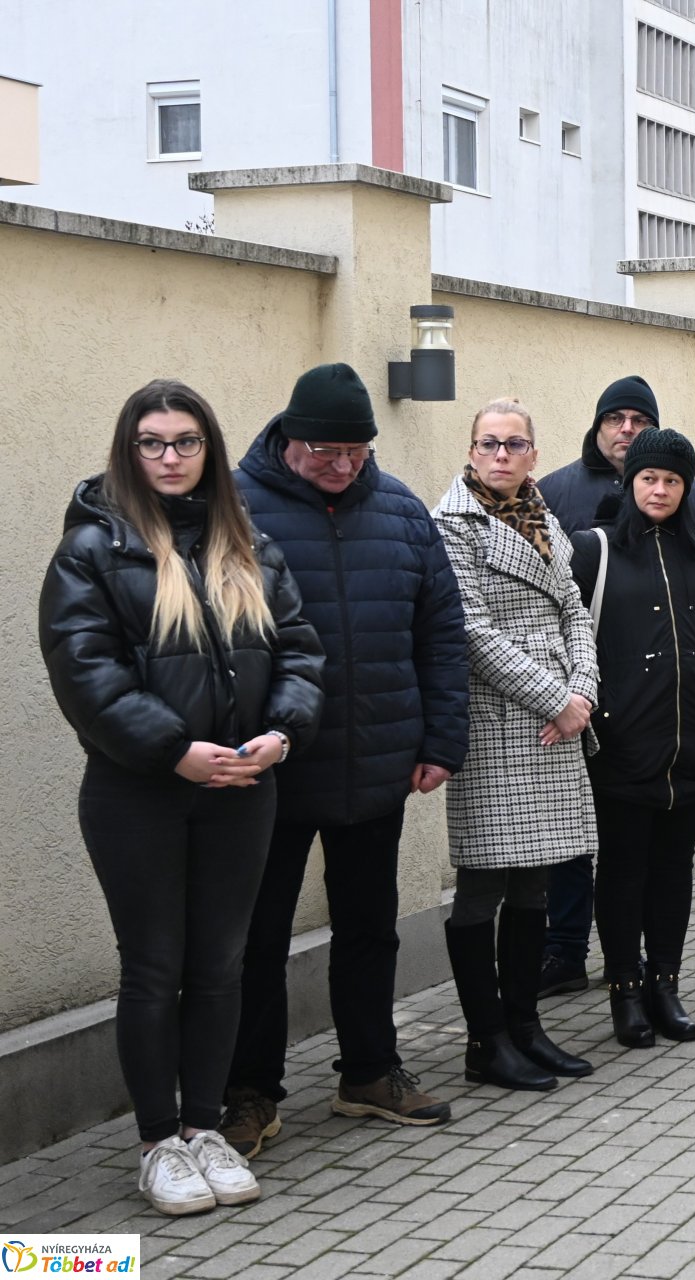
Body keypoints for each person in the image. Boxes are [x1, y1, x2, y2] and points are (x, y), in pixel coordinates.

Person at [40, 379, 325, 1215]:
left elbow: (300, 651)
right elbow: (85, 672)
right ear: (129, 451)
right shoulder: (91, 549)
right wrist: (174, 751)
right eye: (153, 442)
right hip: (139, 794)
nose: (170, 457)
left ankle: (205, 1129)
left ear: (210, 450)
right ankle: (158, 1144)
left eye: (186, 442)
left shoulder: (249, 544)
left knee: (218, 967)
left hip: (243, 788)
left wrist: (281, 735)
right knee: (154, 968)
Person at [221, 363, 468, 1157]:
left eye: (356, 452)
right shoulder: (234, 507)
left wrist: (441, 741)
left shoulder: (401, 511)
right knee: (257, 938)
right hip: (272, 769)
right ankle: (248, 1092)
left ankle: (368, 1071)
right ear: (288, 440)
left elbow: (441, 632)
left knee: (369, 927)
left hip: (377, 761)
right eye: (326, 452)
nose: (342, 466)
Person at [536, 374, 695, 999]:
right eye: (615, 418)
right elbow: (561, 614)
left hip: (677, 727)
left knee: (661, 863)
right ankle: (573, 955)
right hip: (600, 721)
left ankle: (654, 976)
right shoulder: (560, 496)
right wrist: (579, 699)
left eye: (639, 420)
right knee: (588, 853)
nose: (626, 429)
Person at [432, 398, 598, 1090]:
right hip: (499, 720)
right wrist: (556, 699)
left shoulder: (544, 517)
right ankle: (486, 1041)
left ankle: (526, 1026)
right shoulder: (452, 525)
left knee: (536, 880)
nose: (501, 455)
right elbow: (471, 632)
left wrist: (582, 694)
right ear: (471, 451)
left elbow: (575, 613)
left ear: (534, 453)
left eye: (514, 444)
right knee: (483, 882)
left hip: (557, 718)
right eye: (489, 443)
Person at [570, 429, 695, 1045]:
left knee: (674, 870)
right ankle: (625, 990)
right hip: (623, 748)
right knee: (623, 871)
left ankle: (665, 985)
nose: (660, 490)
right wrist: (598, 712)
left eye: (673, 480)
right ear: (630, 483)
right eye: (649, 478)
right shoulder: (593, 550)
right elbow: (567, 638)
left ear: (686, 488)